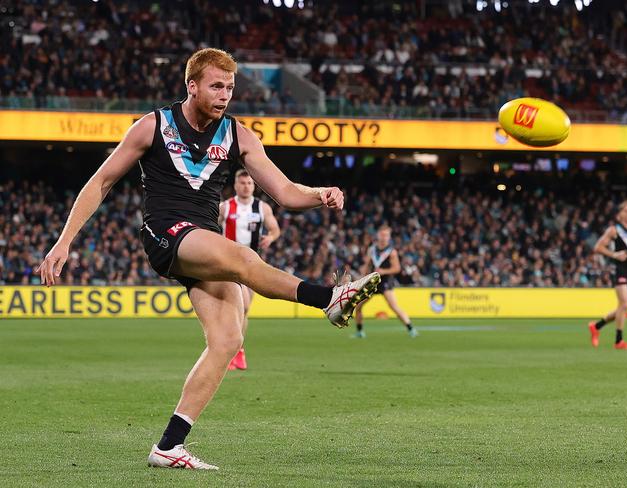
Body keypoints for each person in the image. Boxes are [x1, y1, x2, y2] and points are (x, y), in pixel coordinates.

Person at [36, 48, 380, 470]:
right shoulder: (154, 125)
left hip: (203, 241)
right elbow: (102, 181)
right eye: (217, 86)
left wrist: (318, 194)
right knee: (241, 256)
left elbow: (285, 191)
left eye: (231, 87)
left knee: (228, 340)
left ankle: (169, 446)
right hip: (166, 234)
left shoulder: (239, 134)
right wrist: (64, 240)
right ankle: (329, 298)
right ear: (192, 85)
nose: (225, 95)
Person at [218, 168, 281, 370]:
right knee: (240, 304)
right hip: (228, 263)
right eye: (242, 183)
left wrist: (271, 237)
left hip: (252, 263)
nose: (246, 187)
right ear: (236, 185)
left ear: (254, 186)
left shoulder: (262, 208)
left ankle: (237, 351)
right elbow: (210, 225)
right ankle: (229, 349)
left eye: (249, 183)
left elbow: (275, 228)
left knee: (244, 310)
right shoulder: (225, 207)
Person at [589, 201, 627, 350]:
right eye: (626, 211)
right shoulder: (614, 230)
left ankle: (596, 326)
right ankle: (618, 341)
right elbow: (598, 247)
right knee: (625, 304)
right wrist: (614, 254)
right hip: (619, 268)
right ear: (620, 214)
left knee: (623, 307)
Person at [353, 224, 417, 338]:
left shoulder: (392, 252)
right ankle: (359, 332)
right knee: (358, 306)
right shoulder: (372, 249)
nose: (384, 237)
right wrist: (362, 277)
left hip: (386, 283)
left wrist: (383, 271)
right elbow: (367, 266)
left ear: (389, 237)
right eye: (382, 234)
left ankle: (411, 329)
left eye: (386, 235)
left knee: (394, 307)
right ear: (378, 235)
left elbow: (397, 268)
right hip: (372, 283)